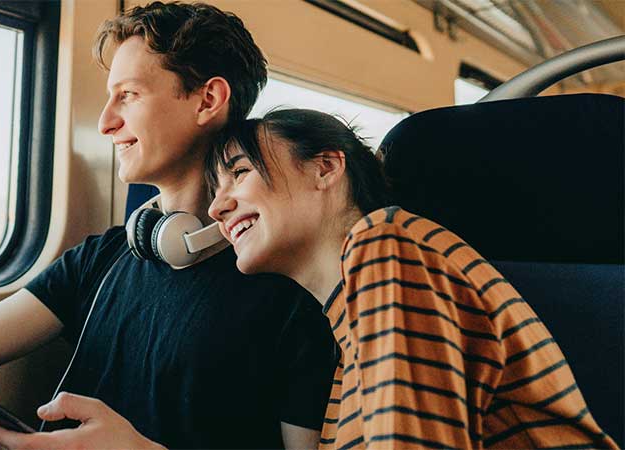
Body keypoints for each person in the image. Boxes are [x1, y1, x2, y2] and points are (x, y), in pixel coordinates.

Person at [0, 4, 336, 449]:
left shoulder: (289, 288)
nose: (105, 122)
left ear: (207, 100)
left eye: (129, 95)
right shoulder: (107, 256)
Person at [206, 108, 619, 449]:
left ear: (325, 168)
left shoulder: (386, 245)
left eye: (239, 172)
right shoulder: (345, 346)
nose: (216, 207)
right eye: (214, 189)